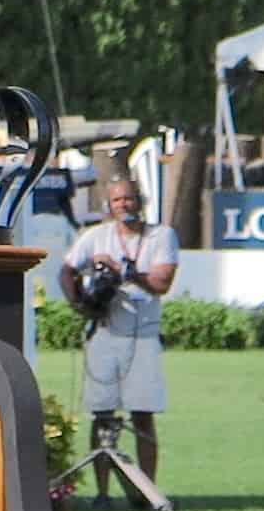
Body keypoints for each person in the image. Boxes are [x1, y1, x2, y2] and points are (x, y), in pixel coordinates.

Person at [61, 175, 179, 485]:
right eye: (117, 200)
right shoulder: (95, 236)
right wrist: (80, 303)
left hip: (143, 336)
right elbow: (67, 270)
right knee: (102, 414)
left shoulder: (162, 236)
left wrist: (124, 271)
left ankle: (147, 488)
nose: (123, 205)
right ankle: (102, 492)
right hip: (104, 333)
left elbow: (161, 283)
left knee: (143, 414)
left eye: (128, 198)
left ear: (140, 201)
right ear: (108, 205)